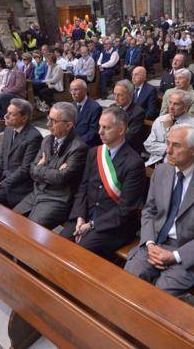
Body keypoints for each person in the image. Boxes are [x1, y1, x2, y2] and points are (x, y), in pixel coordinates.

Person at [124, 125, 194, 296]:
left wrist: (175, 256)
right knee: (130, 278)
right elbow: (149, 211)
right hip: (155, 242)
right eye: (168, 143)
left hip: (188, 253)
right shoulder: (162, 171)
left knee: (161, 294)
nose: (168, 150)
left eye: (176, 145)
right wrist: (149, 243)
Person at [60, 107, 146, 258]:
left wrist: (91, 225)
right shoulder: (94, 152)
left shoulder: (134, 163)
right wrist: (80, 217)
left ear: (121, 130)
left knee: (79, 252)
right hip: (86, 216)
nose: (99, 132)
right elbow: (83, 187)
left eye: (106, 128)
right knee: (60, 242)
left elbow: (125, 209)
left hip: (113, 225)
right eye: (100, 126)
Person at [14, 102, 88, 229]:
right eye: (49, 119)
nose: (48, 124)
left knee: (28, 230)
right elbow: (32, 170)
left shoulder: (79, 148)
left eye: (54, 121)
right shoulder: (47, 140)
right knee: (11, 220)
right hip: (37, 193)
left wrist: (41, 167)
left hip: (57, 199)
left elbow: (61, 179)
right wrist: (52, 171)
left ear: (68, 125)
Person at [0, 99, 43, 207]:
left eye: (11, 114)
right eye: (7, 112)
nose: (5, 116)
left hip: (16, 185)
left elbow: (24, 170)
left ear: (24, 118)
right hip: (0, 178)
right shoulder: (8, 129)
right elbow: (1, 157)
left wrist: (1, 184)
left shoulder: (34, 137)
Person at [145, 90, 194, 166]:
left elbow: (186, 152)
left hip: (177, 165)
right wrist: (167, 149)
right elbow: (148, 144)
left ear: (185, 107)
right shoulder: (160, 120)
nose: (171, 107)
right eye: (170, 102)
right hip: (154, 162)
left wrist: (168, 129)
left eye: (176, 104)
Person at [111, 79, 146, 154]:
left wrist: (110, 134)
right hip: (111, 145)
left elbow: (129, 137)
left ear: (130, 95)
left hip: (128, 151)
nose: (116, 98)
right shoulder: (112, 108)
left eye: (120, 95)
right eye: (114, 94)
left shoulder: (138, 113)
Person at [71, 79, 102, 147]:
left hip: (87, 144)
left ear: (85, 90)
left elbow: (93, 132)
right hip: (73, 142)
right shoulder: (72, 105)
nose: (73, 93)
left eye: (76, 89)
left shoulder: (95, 108)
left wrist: (77, 144)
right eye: (71, 90)